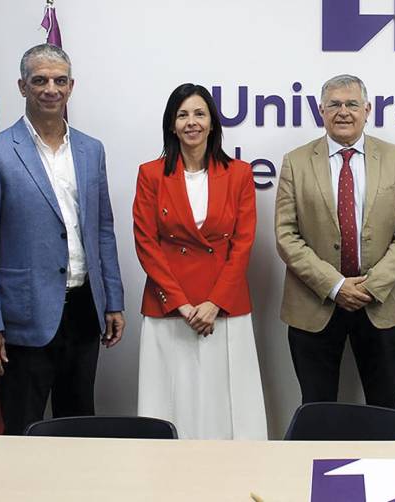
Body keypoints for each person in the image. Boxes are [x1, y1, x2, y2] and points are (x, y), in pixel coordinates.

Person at [0, 44, 125, 435]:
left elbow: (103, 228)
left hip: (85, 310)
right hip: (24, 317)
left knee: (79, 428)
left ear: (71, 87)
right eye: (40, 80)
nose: (50, 88)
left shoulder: (91, 150)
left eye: (59, 80)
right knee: (23, 431)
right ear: (22, 86)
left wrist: (114, 301)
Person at [275, 74, 395, 410]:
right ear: (320, 111)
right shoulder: (296, 162)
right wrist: (336, 285)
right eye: (335, 104)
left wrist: (371, 286)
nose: (344, 111)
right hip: (315, 302)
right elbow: (286, 235)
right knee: (317, 406)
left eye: (352, 104)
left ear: (368, 110)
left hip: (379, 302)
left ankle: (385, 463)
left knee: (385, 405)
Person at [133, 83, 266, 439]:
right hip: (170, 308)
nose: (191, 122)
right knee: (170, 403)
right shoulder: (150, 174)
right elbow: (147, 243)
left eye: (199, 113)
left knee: (229, 405)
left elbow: (243, 244)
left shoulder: (238, 173)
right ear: (171, 125)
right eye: (182, 115)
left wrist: (214, 303)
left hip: (224, 307)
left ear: (212, 123)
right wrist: (182, 304)